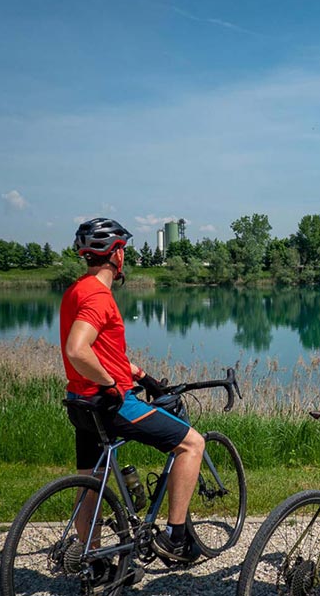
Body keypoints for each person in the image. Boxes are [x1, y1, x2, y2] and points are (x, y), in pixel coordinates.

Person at [60, 217, 205, 563]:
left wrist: (140, 374)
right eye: (123, 249)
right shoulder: (98, 295)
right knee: (192, 444)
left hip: (80, 404)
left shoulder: (76, 290)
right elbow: (78, 349)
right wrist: (112, 384)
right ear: (117, 254)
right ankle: (174, 538)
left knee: (89, 484)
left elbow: (102, 351)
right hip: (110, 403)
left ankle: (92, 563)